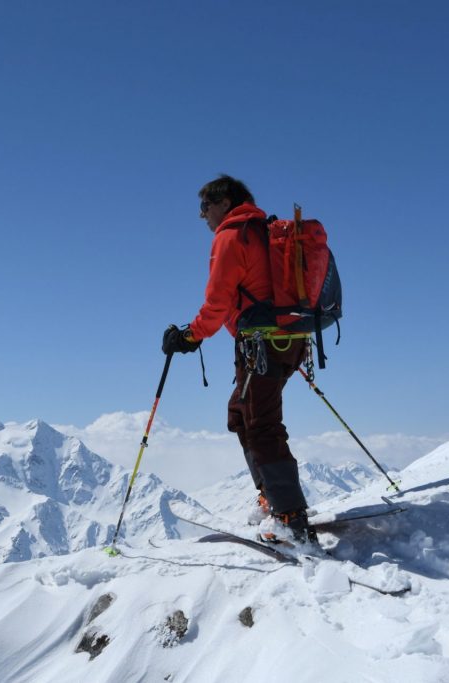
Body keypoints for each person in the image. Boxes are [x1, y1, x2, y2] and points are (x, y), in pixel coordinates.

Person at [162, 174, 315, 542]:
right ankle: (272, 499)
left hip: (262, 345)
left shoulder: (232, 236)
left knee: (261, 425)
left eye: (205, 206)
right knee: (241, 414)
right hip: (289, 341)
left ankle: (292, 520)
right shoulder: (264, 231)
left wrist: (189, 336)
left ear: (225, 203)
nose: (202, 216)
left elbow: (218, 301)